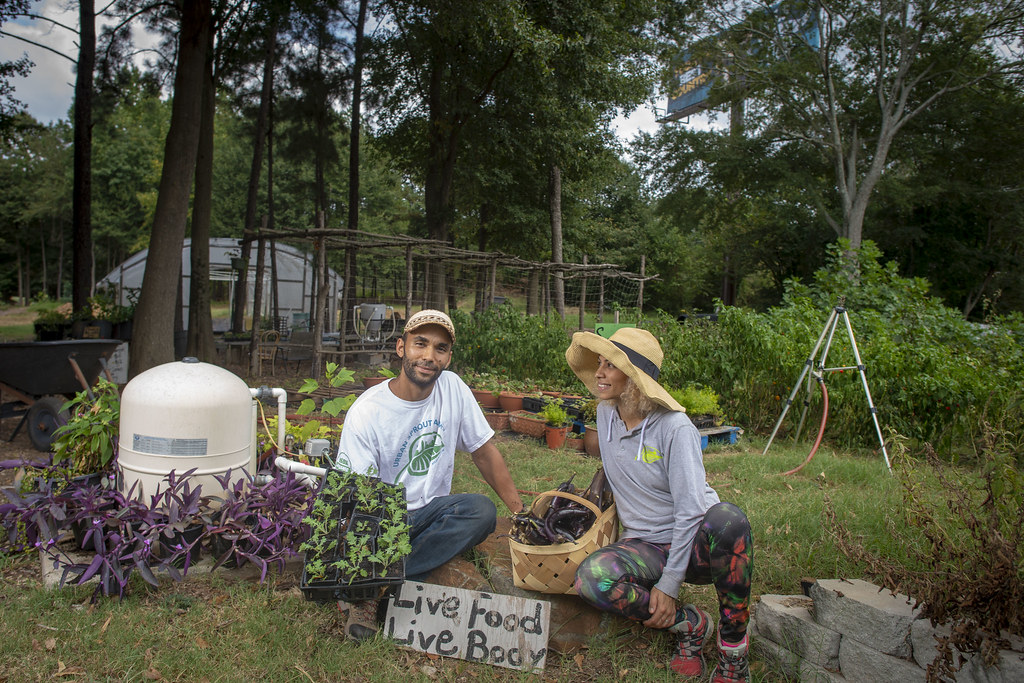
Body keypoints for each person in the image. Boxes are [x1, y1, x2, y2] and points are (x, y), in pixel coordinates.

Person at [564, 327, 754, 683]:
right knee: (592, 579)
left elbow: (691, 510)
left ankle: (733, 648)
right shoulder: (606, 415)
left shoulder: (675, 428)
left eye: (611, 365)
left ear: (635, 379)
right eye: (600, 363)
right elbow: (616, 471)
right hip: (644, 545)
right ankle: (689, 623)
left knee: (730, 520)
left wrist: (669, 584)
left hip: (697, 545)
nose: (600, 372)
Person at [334, 309, 525, 641]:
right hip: (380, 518)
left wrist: (520, 513)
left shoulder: (452, 388)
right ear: (400, 348)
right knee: (364, 525)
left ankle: (376, 582)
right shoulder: (368, 411)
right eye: (419, 344)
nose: (428, 356)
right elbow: (358, 497)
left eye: (440, 348)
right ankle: (372, 587)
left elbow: (483, 452)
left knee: (480, 512)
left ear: (448, 358)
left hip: (428, 514)